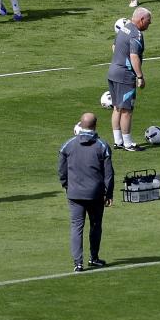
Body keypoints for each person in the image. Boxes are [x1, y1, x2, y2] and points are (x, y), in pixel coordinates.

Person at [59, 112, 115, 272]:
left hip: (74, 193)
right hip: (95, 194)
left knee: (77, 226)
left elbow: (61, 170)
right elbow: (109, 173)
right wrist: (109, 193)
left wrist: (66, 185)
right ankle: (94, 258)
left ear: (80, 125)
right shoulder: (102, 145)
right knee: (95, 225)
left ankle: (78, 263)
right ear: (95, 125)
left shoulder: (68, 145)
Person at [108, 8, 151, 152]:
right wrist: (140, 76)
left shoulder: (124, 28)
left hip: (113, 72)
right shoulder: (136, 34)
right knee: (127, 110)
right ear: (142, 20)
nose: (149, 25)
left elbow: (114, 47)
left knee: (117, 108)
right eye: (148, 22)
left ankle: (118, 140)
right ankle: (128, 143)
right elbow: (134, 56)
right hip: (125, 76)